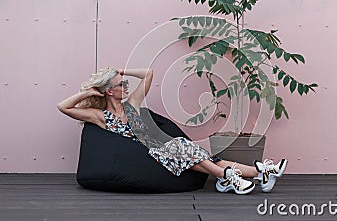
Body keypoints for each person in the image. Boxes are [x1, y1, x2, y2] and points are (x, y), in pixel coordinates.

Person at [57, 67, 287, 194]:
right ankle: (249, 173)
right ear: (109, 92)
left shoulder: (132, 105)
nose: (125, 86)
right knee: (184, 148)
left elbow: (148, 73)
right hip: (146, 155)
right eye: (120, 84)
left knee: (194, 153)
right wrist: (90, 93)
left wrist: (121, 71)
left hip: (162, 147)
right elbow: (63, 107)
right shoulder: (100, 117)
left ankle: (244, 175)